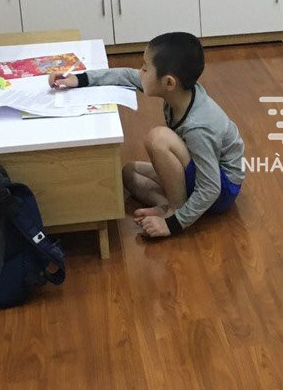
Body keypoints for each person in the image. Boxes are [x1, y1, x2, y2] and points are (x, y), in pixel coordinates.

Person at [49, 31, 244, 239]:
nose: (140, 71)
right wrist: (79, 79)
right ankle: (166, 204)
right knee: (129, 173)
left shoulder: (199, 127)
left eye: (145, 67)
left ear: (169, 83)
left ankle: (175, 210)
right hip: (201, 170)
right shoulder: (180, 92)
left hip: (221, 189)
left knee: (158, 138)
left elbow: (211, 187)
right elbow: (126, 76)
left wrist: (173, 224)